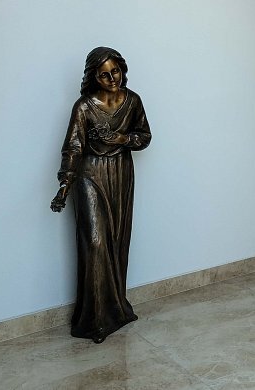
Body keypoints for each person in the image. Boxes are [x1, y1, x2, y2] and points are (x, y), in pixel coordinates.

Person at [50, 46, 151, 343]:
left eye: (115, 71)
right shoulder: (83, 106)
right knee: (94, 243)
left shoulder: (133, 101)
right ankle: (93, 320)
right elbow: (73, 147)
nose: (112, 79)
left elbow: (145, 136)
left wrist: (121, 138)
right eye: (105, 74)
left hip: (121, 173)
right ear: (94, 77)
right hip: (89, 175)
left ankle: (116, 310)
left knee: (117, 241)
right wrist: (64, 185)